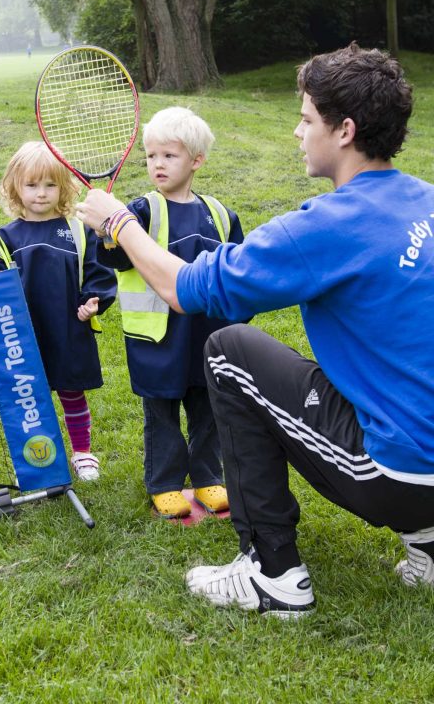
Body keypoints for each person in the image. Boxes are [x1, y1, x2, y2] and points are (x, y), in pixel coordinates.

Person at [75, 42, 434, 618]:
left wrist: (118, 222)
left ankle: (274, 573)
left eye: (306, 118)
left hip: (400, 472)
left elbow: (185, 289)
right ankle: (429, 543)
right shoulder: (427, 202)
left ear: (344, 131)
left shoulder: (324, 229)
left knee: (229, 352)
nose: (297, 132)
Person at [97, 107, 245, 520]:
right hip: (158, 339)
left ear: (196, 160)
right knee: (161, 412)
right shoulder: (140, 211)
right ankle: (164, 483)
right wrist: (107, 238)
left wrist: (237, 322)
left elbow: (235, 273)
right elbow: (118, 261)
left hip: (206, 334)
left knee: (208, 408)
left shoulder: (219, 213)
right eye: (151, 156)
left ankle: (207, 476)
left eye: (169, 156)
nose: (157, 164)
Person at [0, 141, 117, 481]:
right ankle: (40, 455)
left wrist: (93, 300)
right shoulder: (5, 237)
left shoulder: (78, 230)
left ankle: (82, 452)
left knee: (71, 391)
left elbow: (99, 273)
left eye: (50, 185)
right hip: (23, 333)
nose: (41, 193)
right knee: (30, 397)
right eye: (32, 185)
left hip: (68, 327)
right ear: (15, 188)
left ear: (63, 187)